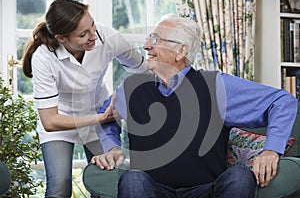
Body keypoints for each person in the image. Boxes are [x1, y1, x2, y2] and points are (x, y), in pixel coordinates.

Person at [91, 14, 298, 198]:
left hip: (207, 190)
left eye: (155, 39)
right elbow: (105, 115)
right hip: (152, 189)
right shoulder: (131, 87)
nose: (146, 46)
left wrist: (271, 150)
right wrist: (112, 147)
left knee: (241, 176)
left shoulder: (217, 85)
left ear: (180, 51)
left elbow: (283, 102)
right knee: (133, 179)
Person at [21, 0, 145, 197]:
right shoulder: (43, 57)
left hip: (98, 116)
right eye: (82, 34)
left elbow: (142, 68)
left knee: (106, 183)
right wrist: (101, 117)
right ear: (61, 38)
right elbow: (50, 121)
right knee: (59, 186)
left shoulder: (107, 37)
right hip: (61, 122)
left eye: (92, 25)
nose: (93, 35)